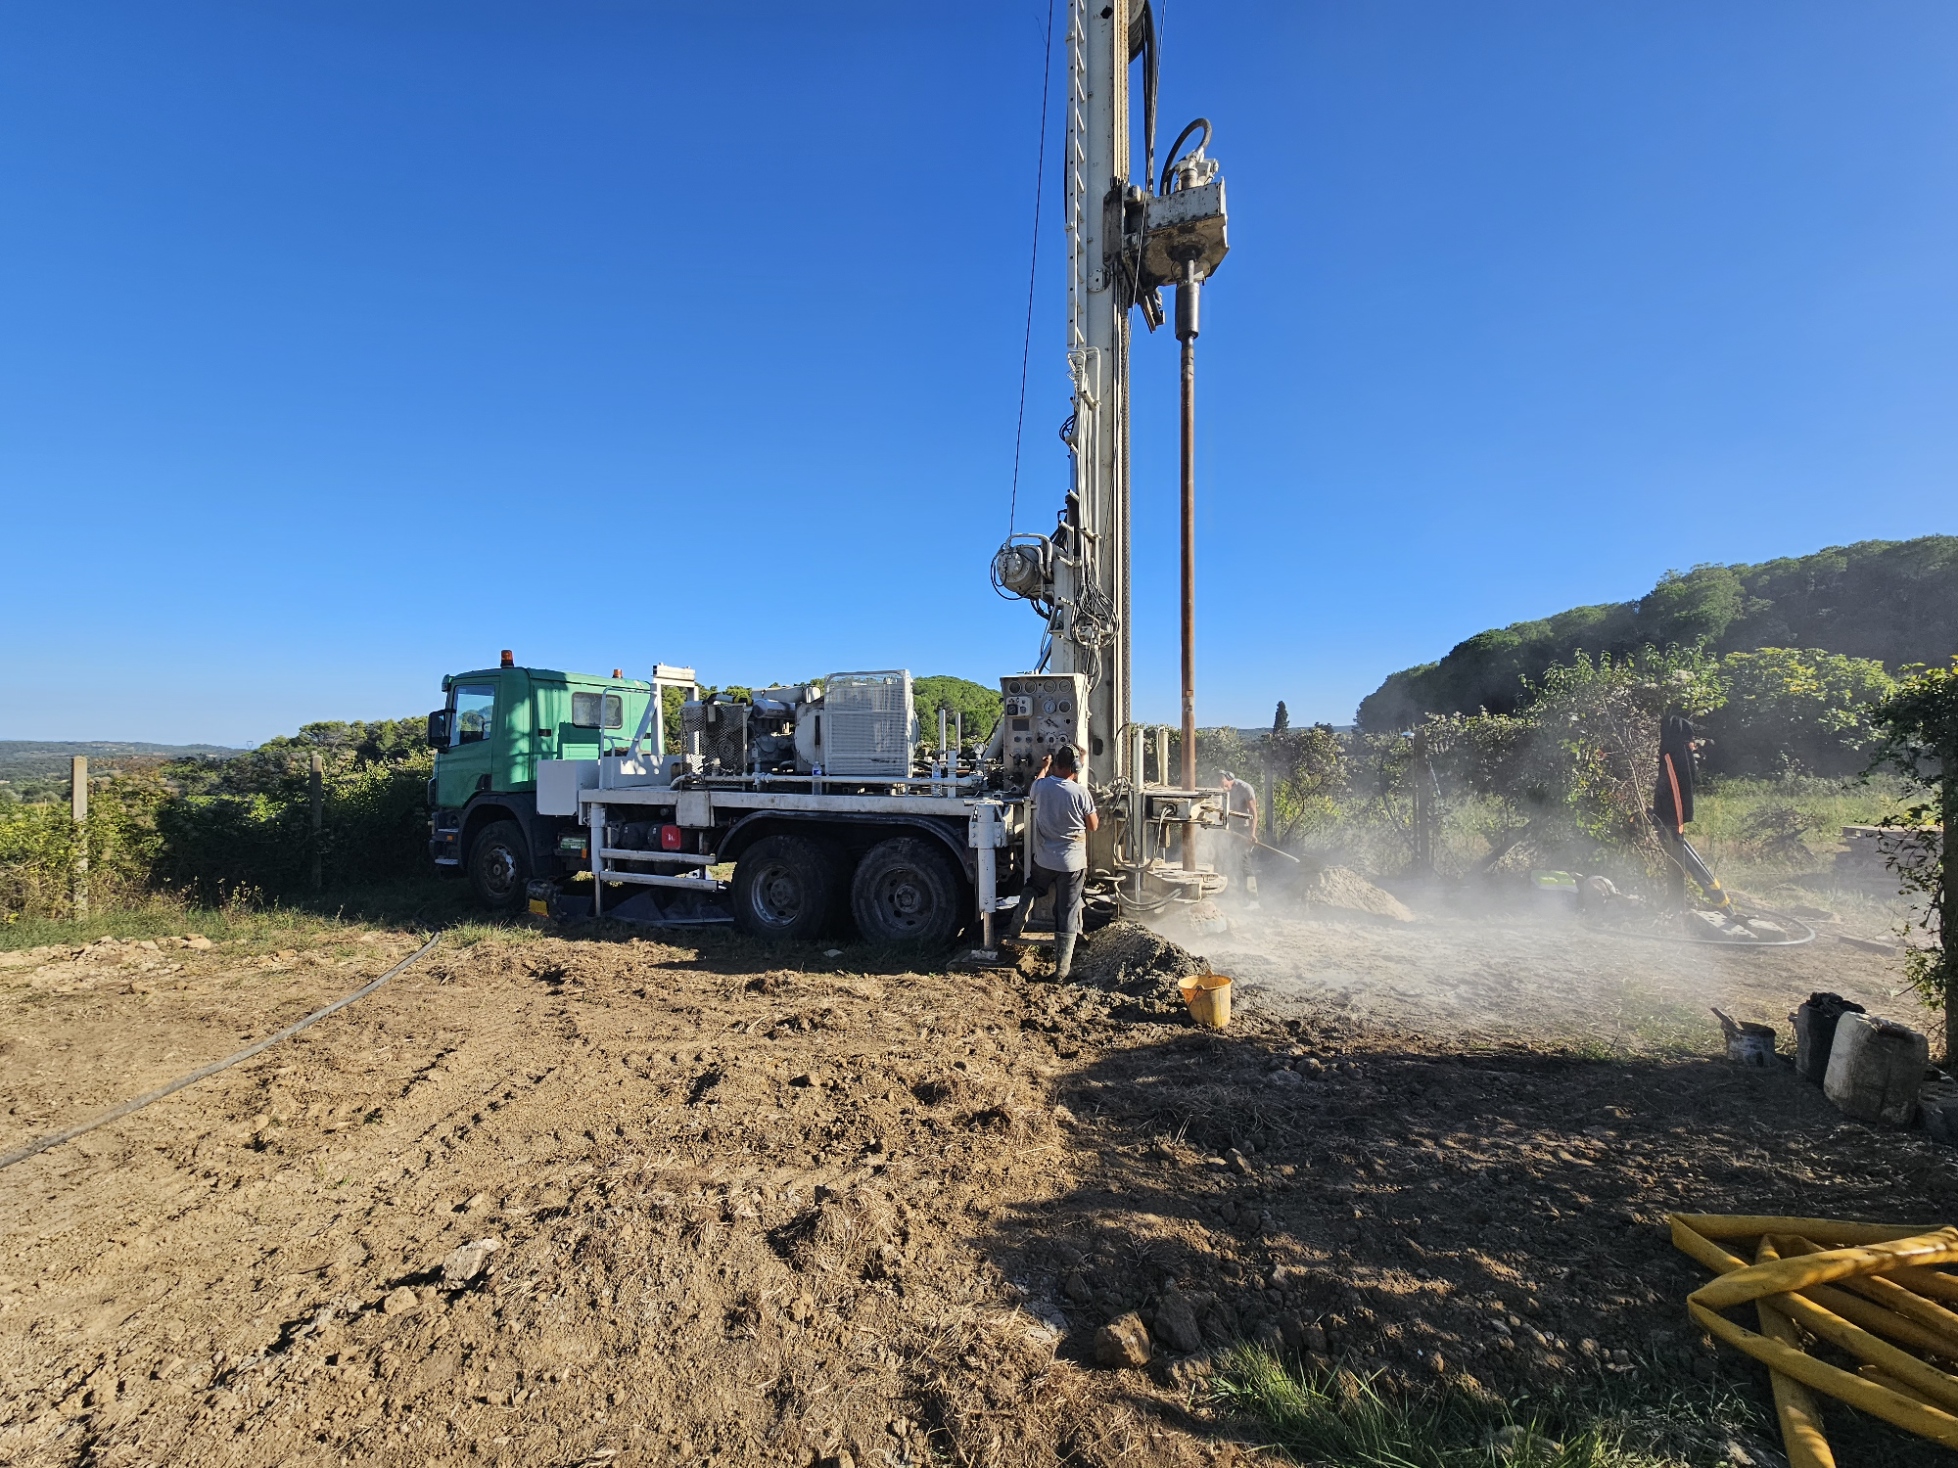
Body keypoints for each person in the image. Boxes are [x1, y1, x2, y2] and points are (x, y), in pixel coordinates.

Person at [1004, 744, 1099, 979]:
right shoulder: (1080, 792)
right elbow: (1093, 825)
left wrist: (1044, 767)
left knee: (1033, 886)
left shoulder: (1041, 786)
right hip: (1072, 864)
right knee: (1066, 910)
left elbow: (1037, 785)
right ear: (1075, 767)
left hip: (1045, 859)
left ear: (1055, 763)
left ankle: (1015, 926)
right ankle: (1061, 970)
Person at [1218, 770, 1260, 903]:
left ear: (1230, 779)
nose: (1223, 789)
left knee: (1244, 863)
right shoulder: (1222, 791)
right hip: (1230, 829)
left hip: (1244, 830)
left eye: (1224, 785)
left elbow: (1254, 813)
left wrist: (1252, 834)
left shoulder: (1245, 789)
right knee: (1228, 861)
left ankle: (1253, 900)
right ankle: (1235, 897)